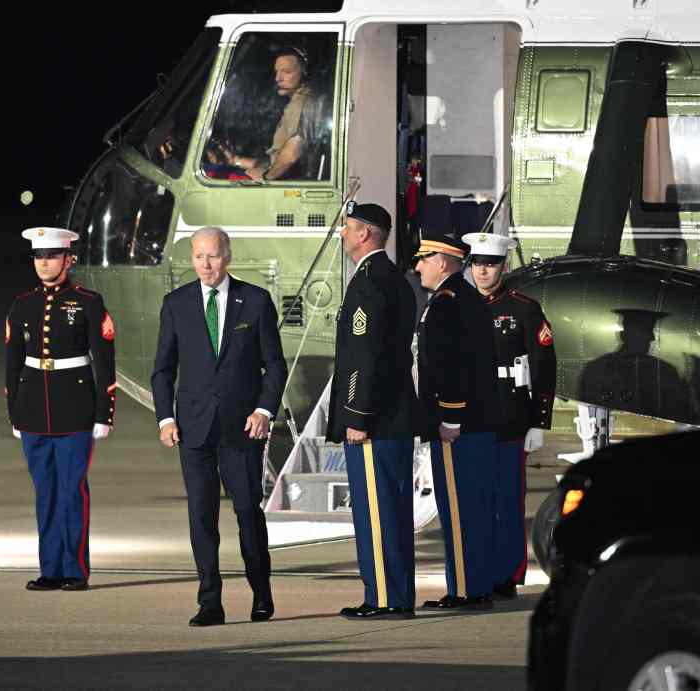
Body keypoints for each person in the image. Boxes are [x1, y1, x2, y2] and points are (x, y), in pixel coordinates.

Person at [150, 226, 288, 627]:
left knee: (247, 512)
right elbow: (162, 370)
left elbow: (274, 365)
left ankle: (261, 594)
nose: (205, 265)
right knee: (201, 517)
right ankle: (210, 602)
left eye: (212, 256)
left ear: (227, 256)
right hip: (193, 431)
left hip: (241, 431)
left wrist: (264, 410)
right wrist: (165, 417)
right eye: (198, 257)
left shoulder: (256, 301)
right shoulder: (176, 304)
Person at [5, 227, 116, 592]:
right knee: (45, 493)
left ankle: (75, 569)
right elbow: (13, 363)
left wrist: (103, 414)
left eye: (52, 256)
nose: (45, 263)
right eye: (39, 256)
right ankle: (50, 569)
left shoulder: (88, 302)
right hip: (34, 410)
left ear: (69, 259)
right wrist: (15, 414)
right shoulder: (22, 304)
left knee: (71, 491)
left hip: (75, 410)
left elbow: (104, 362)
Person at [326, 203, 420, 620]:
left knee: (376, 511)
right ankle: (397, 594)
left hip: (375, 419)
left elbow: (363, 358)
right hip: (396, 413)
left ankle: (383, 597)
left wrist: (356, 416)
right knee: (395, 509)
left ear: (365, 234)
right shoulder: (396, 280)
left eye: (347, 229)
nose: (343, 235)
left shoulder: (367, 283)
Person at [462, 232, 557, 600]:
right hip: (470, 418)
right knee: (476, 499)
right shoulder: (460, 306)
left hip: (509, 416)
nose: (483, 271)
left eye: (491, 264)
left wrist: (539, 421)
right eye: (477, 264)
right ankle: (478, 569)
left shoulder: (523, 308)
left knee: (507, 501)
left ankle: (507, 573)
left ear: (503, 266)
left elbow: (544, 365)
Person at [412, 235, 500, 609]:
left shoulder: (447, 305)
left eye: (424, 260)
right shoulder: (465, 300)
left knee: (460, 511)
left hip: (459, 425)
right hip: (477, 421)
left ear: (444, 262)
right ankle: (476, 586)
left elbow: (450, 368)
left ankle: (465, 590)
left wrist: (450, 416)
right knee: (475, 507)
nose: (418, 268)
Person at [211, 47, 321, 181]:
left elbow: (292, 153)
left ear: (305, 73)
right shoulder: (298, 101)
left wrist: (266, 177)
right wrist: (235, 160)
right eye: (276, 72)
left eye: (287, 72)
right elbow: (275, 162)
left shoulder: (302, 102)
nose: (277, 78)